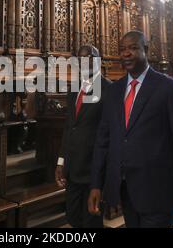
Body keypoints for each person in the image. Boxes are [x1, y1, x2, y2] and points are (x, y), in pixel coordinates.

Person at [88, 31, 173, 228]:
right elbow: (103, 141)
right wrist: (96, 184)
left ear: (146, 50)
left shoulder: (169, 88)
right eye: (122, 50)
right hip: (125, 191)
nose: (126, 54)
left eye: (133, 48)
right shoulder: (114, 91)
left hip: (159, 192)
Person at [55, 45, 111, 228]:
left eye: (88, 58)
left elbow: (109, 134)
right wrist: (61, 162)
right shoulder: (74, 89)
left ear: (98, 60)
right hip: (72, 169)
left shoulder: (109, 89)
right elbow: (69, 128)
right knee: (73, 218)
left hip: (93, 171)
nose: (83, 62)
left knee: (91, 222)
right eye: (80, 59)